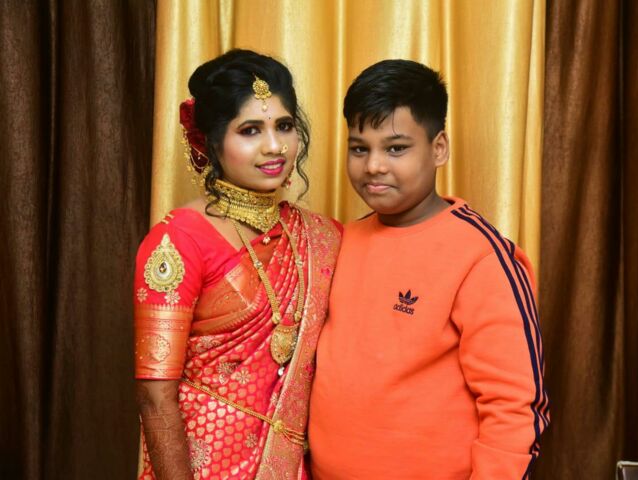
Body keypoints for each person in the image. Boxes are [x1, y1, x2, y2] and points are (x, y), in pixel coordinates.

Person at [308, 59, 549, 479]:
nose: (374, 166)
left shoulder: (481, 257)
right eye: (360, 148)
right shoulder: (341, 242)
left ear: (438, 149)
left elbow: (514, 407)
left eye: (396, 148)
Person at [133, 49, 341, 480]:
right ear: (210, 142)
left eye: (284, 126)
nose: (274, 146)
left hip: (291, 467)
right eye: (250, 130)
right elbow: (155, 398)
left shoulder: (319, 237)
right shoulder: (179, 241)